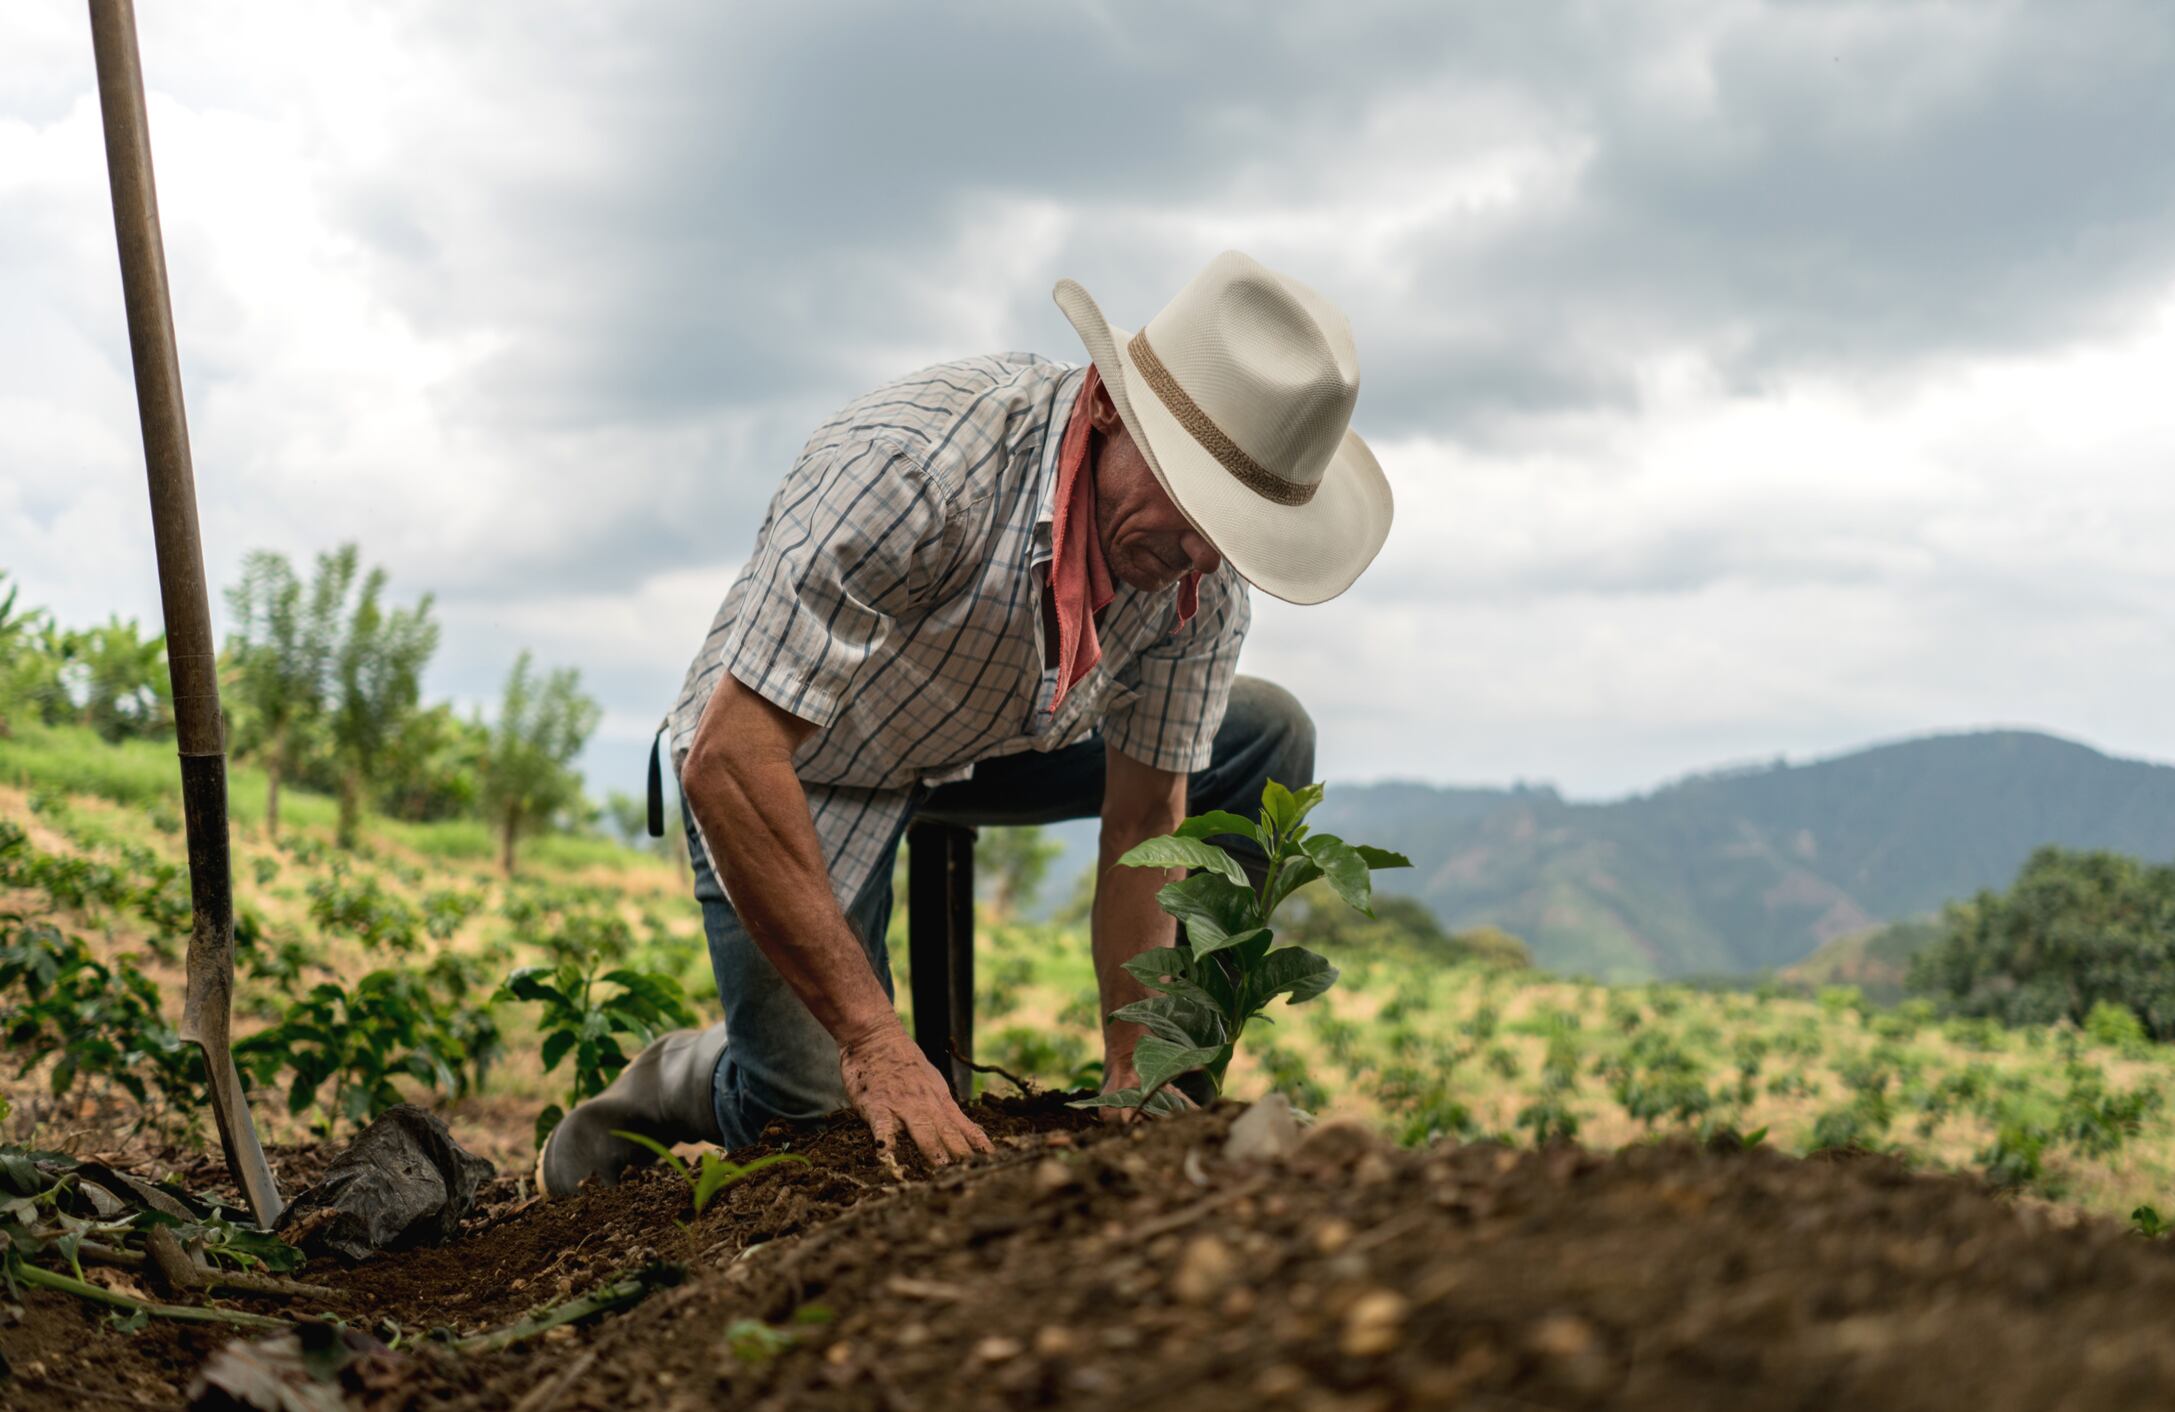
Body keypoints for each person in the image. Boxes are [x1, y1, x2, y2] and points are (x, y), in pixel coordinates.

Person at [539, 249, 1393, 1194]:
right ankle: (687, 1074)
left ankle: (1170, 1099)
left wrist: (1133, 1064)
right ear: (1109, 411)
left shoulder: (1197, 578)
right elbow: (731, 758)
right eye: (1192, 506)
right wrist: (873, 1040)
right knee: (819, 1121)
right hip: (801, 755)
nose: (1200, 556)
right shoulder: (914, 471)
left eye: (1231, 531)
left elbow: (1148, 819)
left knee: (1266, 733)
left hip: (994, 737)